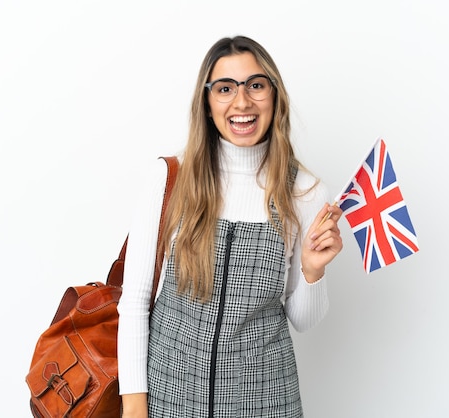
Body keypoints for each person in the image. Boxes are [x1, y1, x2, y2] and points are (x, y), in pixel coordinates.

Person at [117, 35, 344, 418]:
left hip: (264, 399)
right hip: (169, 395)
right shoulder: (170, 178)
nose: (242, 102)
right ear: (207, 103)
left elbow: (303, 321)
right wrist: (135, 407)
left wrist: (313, 271)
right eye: (225, 89)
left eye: (256, 85)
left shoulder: (305, 191)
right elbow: (135, 301)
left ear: (275, 96)